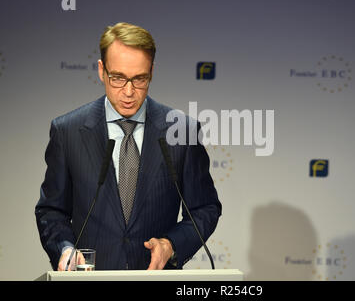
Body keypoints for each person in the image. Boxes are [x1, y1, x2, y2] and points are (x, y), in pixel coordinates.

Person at [35, 22, 222, 271]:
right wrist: (66, 248)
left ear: (152, 72)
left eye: (140, 79)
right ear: (101, 70)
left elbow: (204, 208)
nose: (129, 91)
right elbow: (51, 211)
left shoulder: (182, 132)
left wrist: (171, 244)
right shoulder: (67, 131)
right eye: (118, 78)